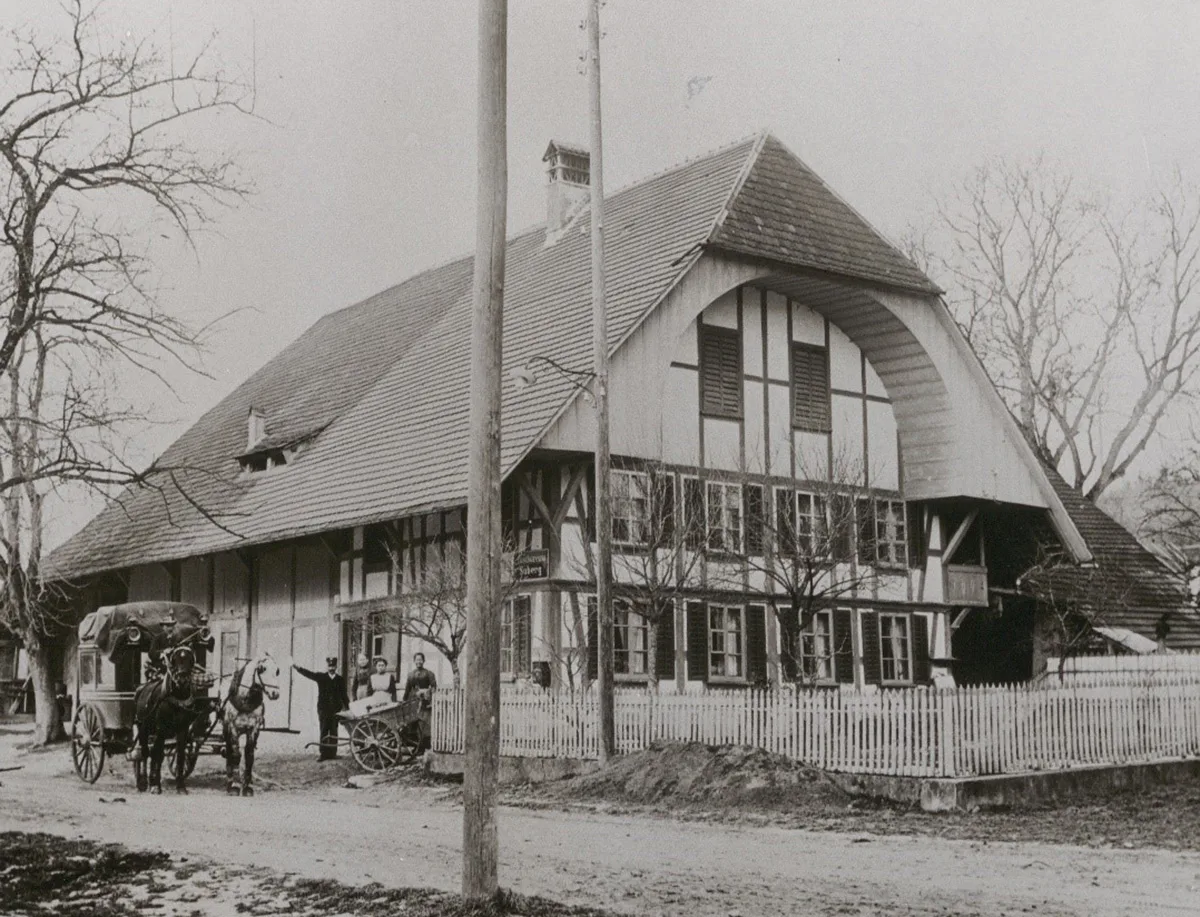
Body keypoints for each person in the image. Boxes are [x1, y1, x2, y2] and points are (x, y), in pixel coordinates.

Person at [292, 656, 349, 761]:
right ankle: (323, 754)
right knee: (323, 730)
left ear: (336, 667)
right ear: (327, 666)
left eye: (333, 666)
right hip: (323, 709)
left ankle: (332, 754)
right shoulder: (321, 677)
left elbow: (344, 695)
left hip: (335, 710)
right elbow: (309, 674)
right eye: (330, 666)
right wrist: (297, 668)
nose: (331, 668)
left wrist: (348, 707)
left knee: (333, 731)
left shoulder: (340, 680)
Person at [403, 652, 437, 753]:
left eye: (420, 660)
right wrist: (404, 701)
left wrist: (426, 692)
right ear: (414, 661)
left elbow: (434, 687)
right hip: (413, 701)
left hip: (425, 701)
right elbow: (407, 689)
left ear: (423, 661)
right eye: (417, 660)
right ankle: (416, 745)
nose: (419, 662)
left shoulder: (429, 673)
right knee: (413, 722)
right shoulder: (411, 674)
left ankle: (424, 746)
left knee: (424, 723)